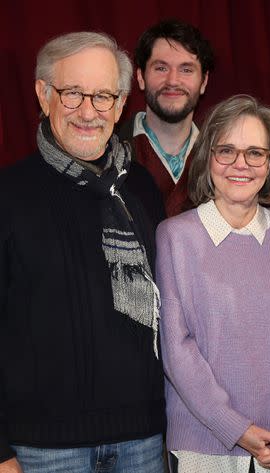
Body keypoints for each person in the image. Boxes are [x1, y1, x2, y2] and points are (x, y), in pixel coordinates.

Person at [0, 32, 165, 473]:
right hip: (42, 451)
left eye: (104, 96)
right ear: (43, 93)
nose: (89, 112)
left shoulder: (143, 189)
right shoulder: (8, 194)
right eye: (73, 94)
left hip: (143, 441)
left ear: (122, 102)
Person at [156, 94, 270, 473]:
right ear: (207, 158)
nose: (241, 164)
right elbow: (177, 349)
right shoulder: (175, 237)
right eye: (227, 151)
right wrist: (237, 429)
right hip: (203, 449)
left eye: (256, 153)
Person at [118, 19, 214, 216]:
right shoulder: (105, 150)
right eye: (161, 68)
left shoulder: (223, 157)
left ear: (204, 81)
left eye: (186, 69)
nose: (173, 81)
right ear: (140, 77)